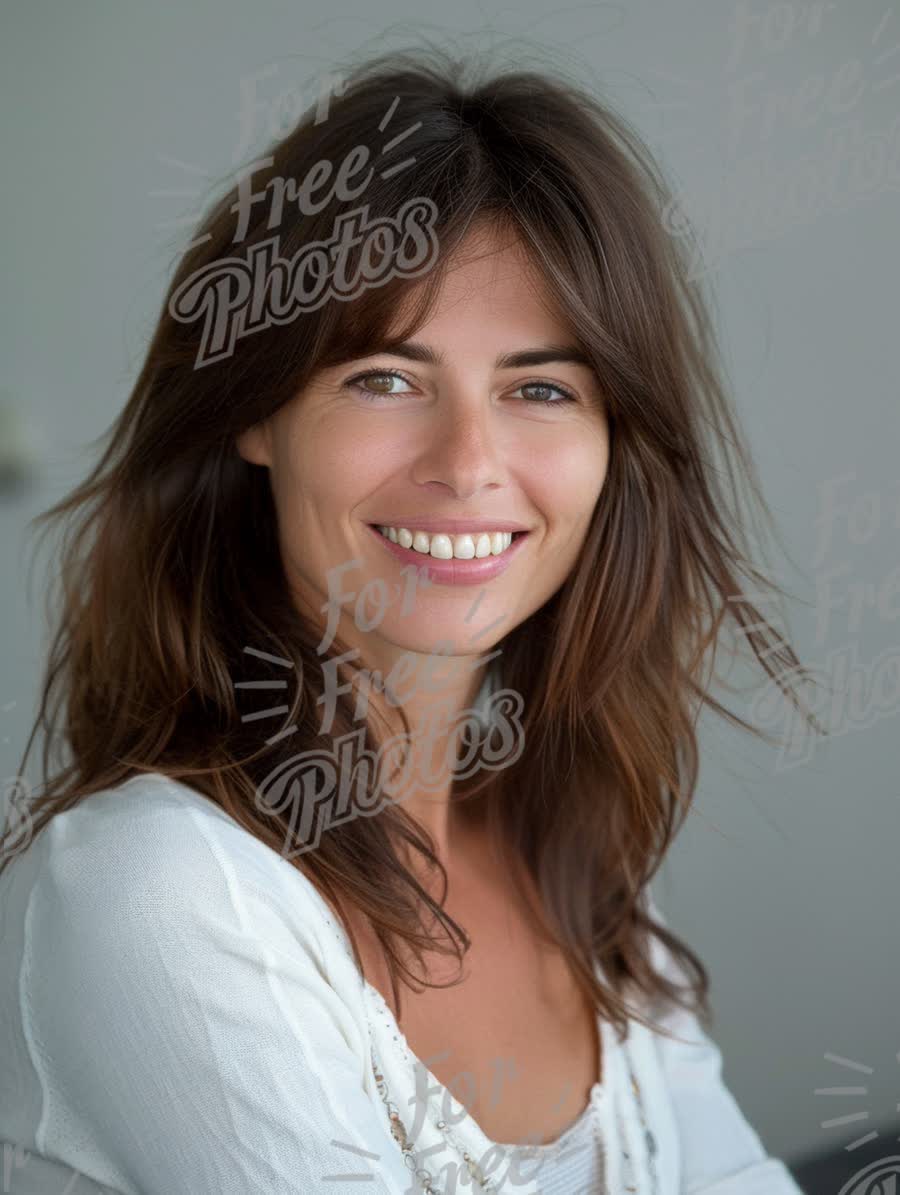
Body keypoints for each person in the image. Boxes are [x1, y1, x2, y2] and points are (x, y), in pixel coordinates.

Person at [0, 44, 819, 1194]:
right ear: (255, 411)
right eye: (385, 377)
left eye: (541, 388)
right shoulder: (157, 892)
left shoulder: (569, 863)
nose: (468, 465)